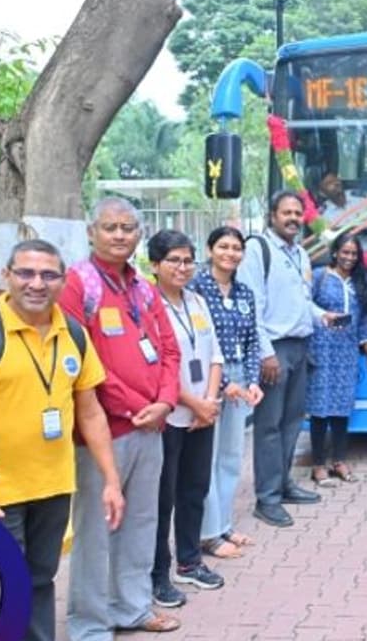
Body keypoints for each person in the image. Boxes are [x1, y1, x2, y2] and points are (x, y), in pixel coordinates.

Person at [0, 239, 123, 641]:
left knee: (41, 580)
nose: (36, 283)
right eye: (25, 272)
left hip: (53, 485)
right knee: (1, 584)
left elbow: (90, 410)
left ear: (63, 280)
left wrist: (111, 480)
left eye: (48, 274)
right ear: (6, 276)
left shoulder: (72, 332)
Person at [60, 197, 183, 637]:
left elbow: (170, 349)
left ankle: (130, 608)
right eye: (109, 227)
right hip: (103, 433)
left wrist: (166, 402)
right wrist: (135, 407)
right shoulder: (77, 283)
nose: (118, 235)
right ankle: (90, 624)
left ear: (139, 234)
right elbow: (80, 359)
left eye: (127, 228)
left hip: (152, 427)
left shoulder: (143, 287)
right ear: (92, 231)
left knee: (141, 524)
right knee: (96, 531)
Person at [240, 190, 330, 528]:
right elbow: (253, 306)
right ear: (272, 215)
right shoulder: (257, 250)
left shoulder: (300, 255)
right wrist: (265, 353)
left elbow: (304, 301)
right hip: (274, 350)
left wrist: (323, 316)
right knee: (269, 427)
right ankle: (267, 499)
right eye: (286, 213)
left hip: (300, 346)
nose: (293, 218)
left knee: (293, 422)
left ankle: (284, 483)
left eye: (297, 213)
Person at [148, 229, 226, 606]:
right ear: (154, 265)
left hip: (202, 413)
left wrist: (208, 402)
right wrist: (194, 403)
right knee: (163, 498)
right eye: (174, 260)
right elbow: (156, 367)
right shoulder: (148, 305)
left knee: (194, 490)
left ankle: (190, 562)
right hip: (170, 415)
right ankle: (158, 574)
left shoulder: (197, 300)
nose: (182, 267)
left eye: (187, 260)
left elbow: (214, 355)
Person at [190, 226, 264, 559]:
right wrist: (223, 384)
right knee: (207, 456)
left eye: (236, 248)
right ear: (210, 249)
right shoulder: (196, 289)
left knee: (231, 458)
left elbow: (252, 342)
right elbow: (199, 344)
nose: (230, 253)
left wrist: (252, 381)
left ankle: (223, 525)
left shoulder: (245, 293)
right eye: (223, 246)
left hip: (240, 378)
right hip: (208, 379)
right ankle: (207, 534)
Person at [306, 232, 367, 486]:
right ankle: (318, 465)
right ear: (335, 252)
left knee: (341, 409)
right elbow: (304, 308)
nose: (349, 258)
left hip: (347, 353)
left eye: (353, 254)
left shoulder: (358, 282)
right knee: (319, 408)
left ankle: (339, 460)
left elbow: (362, 324)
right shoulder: (319, 277)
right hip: (321, 350)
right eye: (345, 252)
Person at [317, 171, 367, 238]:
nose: (336, 183)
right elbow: (326, 240)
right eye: (329, 183)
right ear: (322, 192)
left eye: (336, 180)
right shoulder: (323, 214)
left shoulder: (361, 197)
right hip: (347, 251)